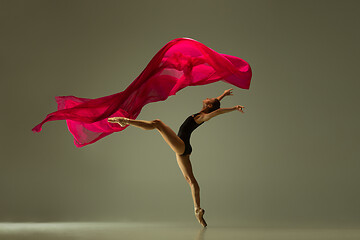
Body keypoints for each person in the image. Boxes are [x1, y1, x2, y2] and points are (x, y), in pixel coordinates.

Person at [108, 88, 245, 227]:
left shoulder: (204, 116)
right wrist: (223, 95)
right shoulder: (203, 112)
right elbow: (215, 105)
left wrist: (234, 108)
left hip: (182, 145)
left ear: (209, 105)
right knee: (190, 180)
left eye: (209, 99)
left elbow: (217, 111)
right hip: (183, 146)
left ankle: (125, 121)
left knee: (157, 123)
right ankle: (197, 210)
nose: (208, 97)